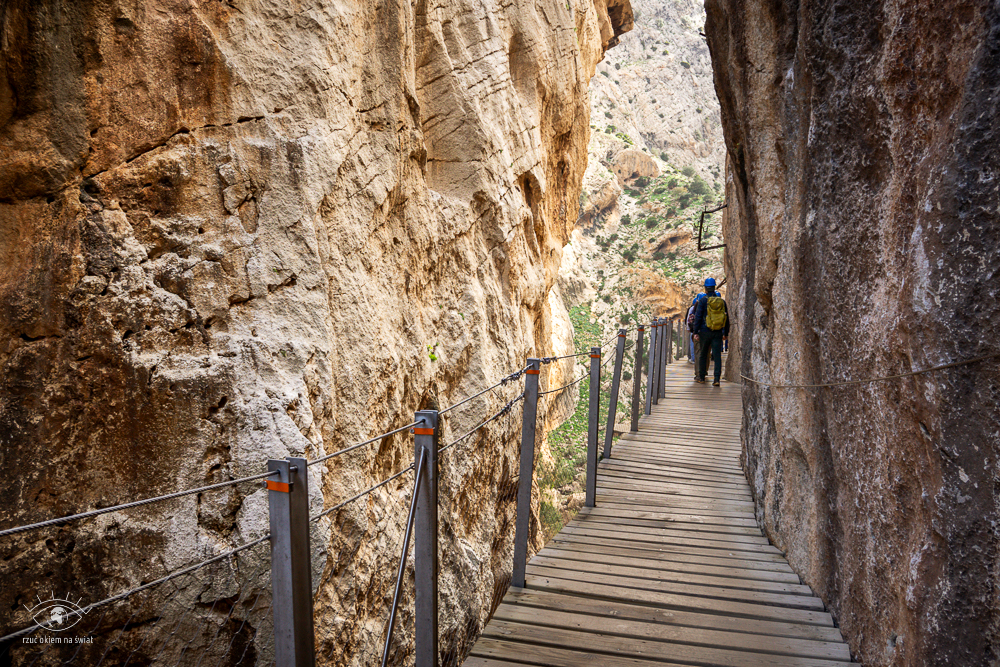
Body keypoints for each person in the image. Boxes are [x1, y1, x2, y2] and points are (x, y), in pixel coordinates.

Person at [693, 277, 729, 386]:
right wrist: (725, 333)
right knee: (717, 355)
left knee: (703, 354)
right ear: (714, 287)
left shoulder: (703, 301)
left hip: (704, 331)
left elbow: (698, 317)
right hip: (717, 332)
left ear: (705, 288)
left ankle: (702, 377)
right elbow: (726, 318)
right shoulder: (721, 302)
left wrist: (695, 332)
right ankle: (717, 379)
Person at [686, 293, 705, 375]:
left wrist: (689, 329)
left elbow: (689, 319)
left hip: (695, 332)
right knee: (705, 351)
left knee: (695, 348)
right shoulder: (707, 306)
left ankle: (697, 370)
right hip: (706, 332)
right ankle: (704, 371)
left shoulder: (693, 308)